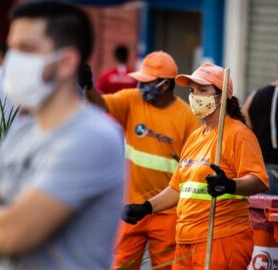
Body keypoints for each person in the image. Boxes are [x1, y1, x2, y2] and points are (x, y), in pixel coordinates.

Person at [0, 2, 125, 270]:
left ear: (66, 62)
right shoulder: (20, 132)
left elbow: (12, 234)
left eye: (27, 49)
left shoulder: (93, 137)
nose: (12, 61)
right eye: (12, 48)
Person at [123, 63, 269, 269]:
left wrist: (229, 185)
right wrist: (146, 208)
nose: (195, 96)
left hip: (220, 238)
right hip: (185, 240)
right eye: (192, 91)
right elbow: (178, 188)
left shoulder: (238, 134)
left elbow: (259, 180)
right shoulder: (195, 136)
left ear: (221, 96)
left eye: (202, 90)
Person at [81, 51, 201, 269]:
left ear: (165, 85)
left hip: (167, 212)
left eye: (146, 82)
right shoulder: (131, 100)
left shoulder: (188, 118)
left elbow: (195, 167)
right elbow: (99, 106)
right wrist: (88, 85)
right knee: (121, 265)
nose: (140, 87)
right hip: (129, 208)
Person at [243, 81, 278, 194]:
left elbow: (245, 131)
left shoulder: (255, 96)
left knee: (263, 211)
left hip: (263, 174)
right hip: (265, 174)